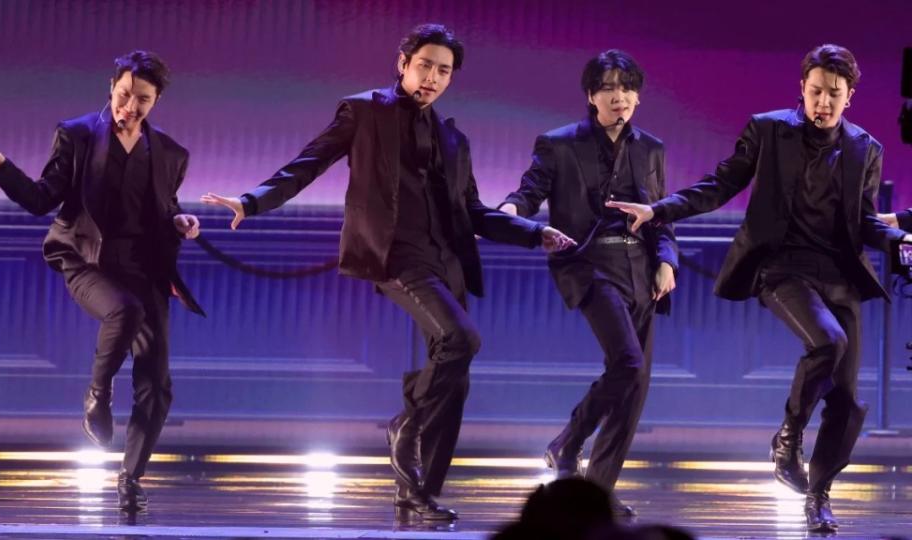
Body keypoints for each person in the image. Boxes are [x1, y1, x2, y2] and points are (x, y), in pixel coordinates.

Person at [200, 23, 575, 521]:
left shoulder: (452, 138)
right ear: (403, 63)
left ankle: (417, 493)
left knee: (455, 382)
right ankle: (406, 420)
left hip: (447, 259)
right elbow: (306, 164)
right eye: (425, 65)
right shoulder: (364, 111)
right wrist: (251, 201)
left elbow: (472, 212)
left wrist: (534, 233)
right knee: (461, 340)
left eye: (444, 71)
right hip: (395, 254)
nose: (433, 78)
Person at [607, 44, 909, 532]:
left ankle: (819, 496)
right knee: (828, 341)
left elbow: (866, 222)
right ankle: (788, 437)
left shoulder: (864, 148)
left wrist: (899, 237)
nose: (823, 103)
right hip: (781, 267)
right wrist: (658, 209)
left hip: (838, 275)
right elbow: (719, 185)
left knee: (847, 401)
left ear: (849, 96)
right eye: (815, 92)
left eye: (834, 94)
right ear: (802, 89)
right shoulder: (768, 130)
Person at [0, 50, 204, 512]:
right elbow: (40, 199)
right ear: (112, 87)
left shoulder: (170, 153)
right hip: (86, 261)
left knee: (156, 382)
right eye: (125, 95)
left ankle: (130, 478)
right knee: (124, 310)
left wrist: (182, 221)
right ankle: (98, 392)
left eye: (143, 100)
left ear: (156, 102)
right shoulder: (76, 135)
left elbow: (165, 211)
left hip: (145, 267)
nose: (130, 107)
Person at [499, 50, 676, 517]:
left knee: (634, 386)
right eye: (608, 88)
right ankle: (568, 441)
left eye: (627, 88)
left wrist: (668, 261)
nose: (619, 97)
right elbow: (529, 190)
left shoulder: (651, 148)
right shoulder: (559, 144)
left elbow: (661, 215)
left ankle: (596, 494)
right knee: (627, 362)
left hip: (641, 269)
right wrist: (512, 213)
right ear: (590, 95)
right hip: (588, 263)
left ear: (637, 95)